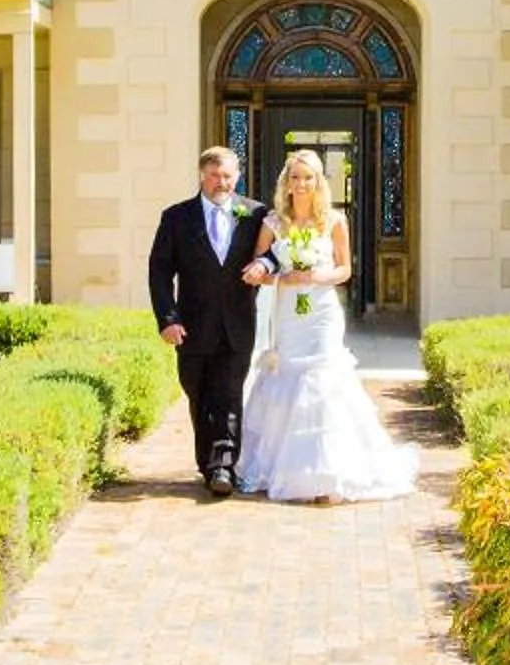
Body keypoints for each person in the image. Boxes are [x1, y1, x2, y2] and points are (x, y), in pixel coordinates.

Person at [235, 150, 417, 505]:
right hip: (289, 313)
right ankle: (284, 470)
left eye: (309, 177)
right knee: (287, 375)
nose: (301, 184)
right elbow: (260, 269)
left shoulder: (333, 220)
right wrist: (282, 277)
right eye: (295, 177)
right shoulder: (273, 222)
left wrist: (316, 276)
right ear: (286, 182)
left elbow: (344, 270)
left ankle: (329, 476)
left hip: (320, 314)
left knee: (321, 379)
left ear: (319, 182)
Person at [148, 146, 272, 495]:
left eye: (228, 175)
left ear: (238, 176)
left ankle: (224, 467)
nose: (222, 182)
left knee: (229, 396)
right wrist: (167, 318)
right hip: (191, 326)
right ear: (203, 176)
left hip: (237, 325)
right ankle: (208, 462)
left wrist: (264, 268)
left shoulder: (256, 214)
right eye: (215, 175)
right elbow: (159, 271)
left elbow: (275, 254)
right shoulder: (176, 217)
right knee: (198, 394)